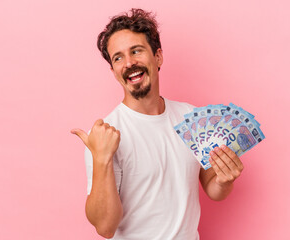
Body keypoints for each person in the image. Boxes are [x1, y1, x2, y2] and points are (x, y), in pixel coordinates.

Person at [71, 8, 244, 240]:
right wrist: (102, 158)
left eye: (136, 51)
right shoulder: (104, 136)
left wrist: (225, 179)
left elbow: (213, 188)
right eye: (118, 57)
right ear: (113, 71)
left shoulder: (190, 117)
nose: (129, 63)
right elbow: (105, 227)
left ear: (158, 56)